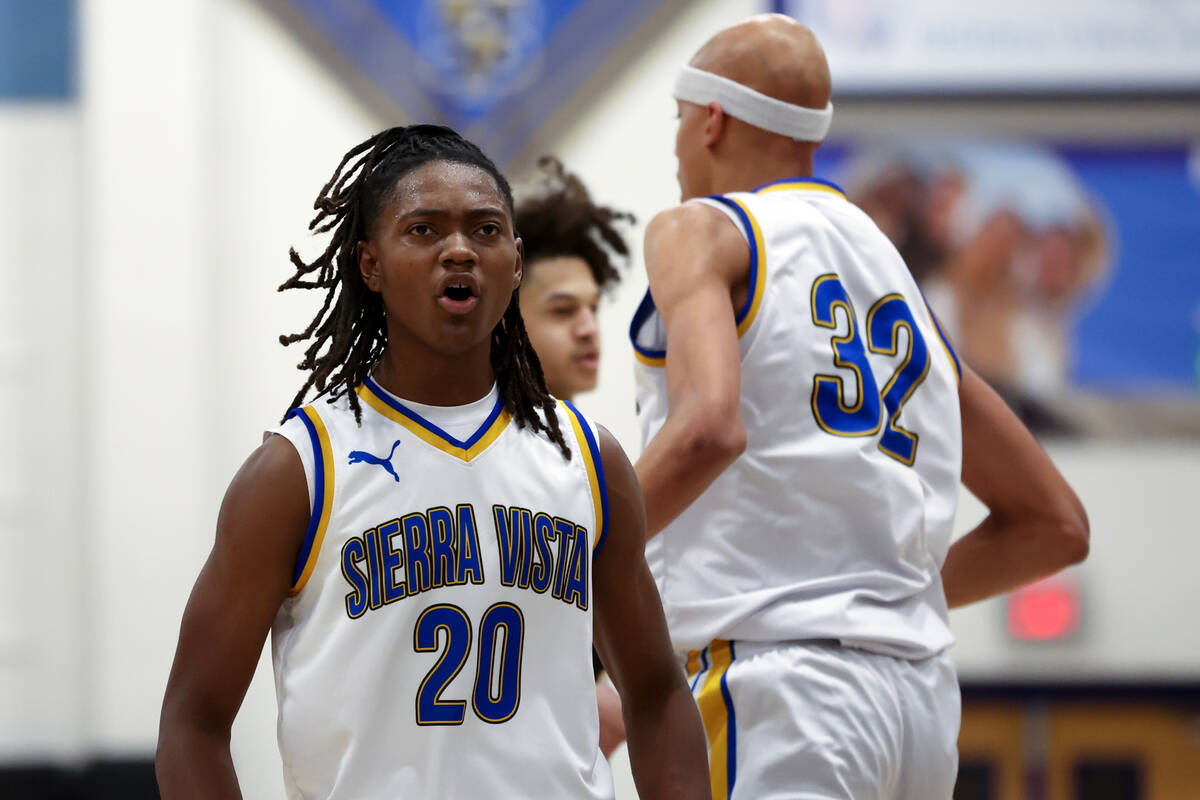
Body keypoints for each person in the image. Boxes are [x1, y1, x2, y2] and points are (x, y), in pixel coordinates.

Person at [156, 125, 709, 800]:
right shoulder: (298, 470)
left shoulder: (590, 459)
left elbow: (656, 693)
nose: (459, 251)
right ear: (370, 264)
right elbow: (193, 723)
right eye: (424, 231)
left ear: (514, 259)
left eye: (484, 231)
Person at [631, 15, 1089, 799]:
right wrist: (871, 594)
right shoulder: (899, 283)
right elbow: (1057, 526)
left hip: (781, 687)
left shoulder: (699, 230)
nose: (676, 150)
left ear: (710, 118)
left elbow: (708, 428)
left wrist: (566, 566)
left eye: (677, 123)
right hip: (916, 704)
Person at [514, 156, 636, 759]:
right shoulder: (481, 460)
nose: (590, 329)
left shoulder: (593, 457)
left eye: (593, 308)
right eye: (564, 311)